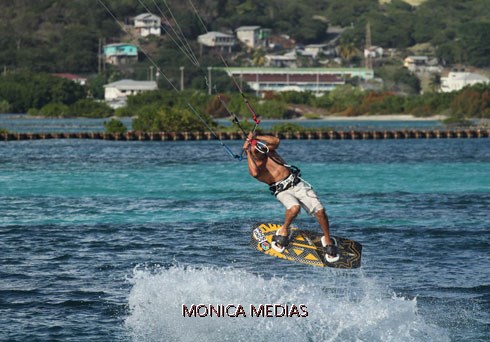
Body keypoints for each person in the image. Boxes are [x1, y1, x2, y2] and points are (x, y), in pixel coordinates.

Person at [243, 132, 338, 261]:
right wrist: (247, 151)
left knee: (320, 211)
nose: (257, 146)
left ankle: (327, 239)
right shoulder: (256, 166)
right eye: (253, 147)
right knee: (294, 208)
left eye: (258, 145)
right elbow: (254, 173)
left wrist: (255, 137)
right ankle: (284, 230)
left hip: (297, 184)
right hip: (282, 191)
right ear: (251, 152)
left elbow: (276, 140)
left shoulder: (270, 152)